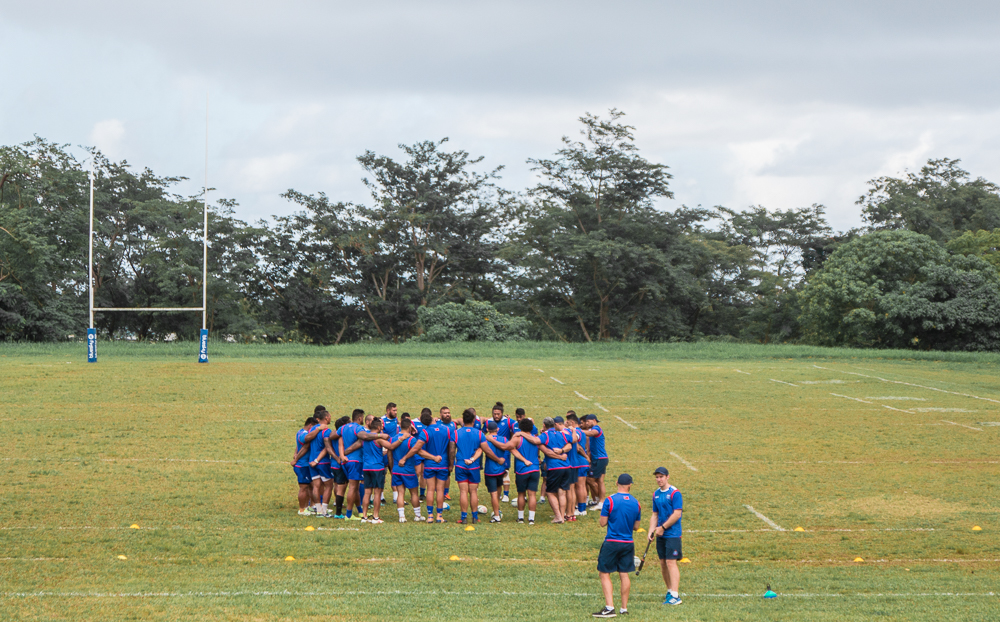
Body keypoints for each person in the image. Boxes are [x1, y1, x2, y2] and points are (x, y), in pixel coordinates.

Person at [593, 473, 642, 618]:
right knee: (624, 573)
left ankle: (609, 607)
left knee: (604, 573)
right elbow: (636, 526)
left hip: (612, 542)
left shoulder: (610, 500)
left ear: (616, 483)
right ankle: (624, 608)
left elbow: (602, 523)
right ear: (630, 485)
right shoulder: (636, 503)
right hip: (628, 543)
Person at [453, 409, 503, 524]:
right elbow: (487, 450)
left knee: (463, 492)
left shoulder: (456, 433)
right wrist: (497, 459)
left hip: (461, 465)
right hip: (474, 466)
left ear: (463, 420)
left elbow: (451, 451)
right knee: (473, 492)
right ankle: (475, 517)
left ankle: (464, 517)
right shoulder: (480, 434)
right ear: (474, 421)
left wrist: (451, 464)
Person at [338, 409, 388, 520]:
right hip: (356, 462)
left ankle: (361, 512)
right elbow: (363, 438)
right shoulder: (359, 429)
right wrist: (381, 436)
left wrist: (342, 454)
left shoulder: (343, 428)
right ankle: (349, 515)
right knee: (354, 488)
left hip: (348, 462)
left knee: (356, 488)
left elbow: (335, 437)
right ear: (360, 418)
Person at [648, 466, 684, 606]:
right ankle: (669, 591)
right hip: (660, 534)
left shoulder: (675, 493)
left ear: (667, 477)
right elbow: (655, 514)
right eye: (657, 477)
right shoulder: (656, 494)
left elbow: (677, 514)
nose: (659, 479)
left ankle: (675, 595)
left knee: (670, 562)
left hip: (673, 534)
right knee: (663, 563)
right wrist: (651, 531)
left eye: (661, 477)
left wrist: (662, 528)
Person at [392, 416, 438, 522]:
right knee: (414, 493)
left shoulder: (394, 438)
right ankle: (417, 515)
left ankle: (401, 517)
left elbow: (390, 454)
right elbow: (419, 452)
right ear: (409, 427)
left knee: (400, 493)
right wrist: (433, 458)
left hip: (396, 469)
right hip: (408, 470)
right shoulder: (411, 440)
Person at [422, 411, 454, 523]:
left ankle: (430, 516)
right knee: (440, 490)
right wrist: (451, 463)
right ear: (432, 418)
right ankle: (439, 516)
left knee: (430, 489)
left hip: (429, 464)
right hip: (443, 464)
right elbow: (451, 448)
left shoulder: (425, 431)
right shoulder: (447, 429)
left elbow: (419, 449)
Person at [540, 417, 573, 523]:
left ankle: (558, 516)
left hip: (554, 467)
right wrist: (563, 451)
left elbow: (536, 442)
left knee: (550, 492)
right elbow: (571, 442)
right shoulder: (562, 434)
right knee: (562, 492)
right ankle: (562, 517)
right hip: (566, 466)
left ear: (544, 425)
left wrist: (522, 434)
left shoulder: (545, 435)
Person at [360, 418, 392, 523]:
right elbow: (391, 446)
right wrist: (401, 439)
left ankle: (364, 516)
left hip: (366, 467)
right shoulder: (379, 439)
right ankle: (375, 517)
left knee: (367, 493)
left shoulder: (365, 438)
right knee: (377, 493)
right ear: (378, 427)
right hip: (377, 468)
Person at [290, 416, 318, 515]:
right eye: (314, 427)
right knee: (303, 488)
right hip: (302, 466)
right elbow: (305, 446)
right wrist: (296, 459)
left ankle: (309, 507)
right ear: (310, 425)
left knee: (311, 486)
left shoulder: (299, 431)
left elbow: (299, 446)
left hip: (305, 465)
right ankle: (301, 509)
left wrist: (295, 454)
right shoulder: (304, 434)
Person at [581, 414, 609, 509]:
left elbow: (592, 433)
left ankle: (601, 501)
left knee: (589, 479)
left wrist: (578, 431)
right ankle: (600, 502)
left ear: (594, 420)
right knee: (600, 481)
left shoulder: (596, 428)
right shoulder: (592, 429)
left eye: (588, 421)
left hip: (599, 459)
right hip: (601, 458)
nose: (586, 423)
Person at [490, 402, 516, 502]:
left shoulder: (508, 421)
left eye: (498, 414)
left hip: (505, 451)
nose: (496, 416)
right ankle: (498, 493)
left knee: (505, 472)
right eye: (494, 414)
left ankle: (506, 495)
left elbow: (517, 426)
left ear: (502, 413)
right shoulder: (489, 422)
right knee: (495, 472)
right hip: (493, 451)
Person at [565, 413, 590, 519]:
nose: (566, 424)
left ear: (572, 422)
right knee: (582, 486)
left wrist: (585, 456)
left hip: (579, 461)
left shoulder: (576, 432)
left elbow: (578, 447)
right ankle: (581, 508)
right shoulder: (581, 431)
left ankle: (580, 509)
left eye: (567, 422)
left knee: (578, 486)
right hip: (582, 462)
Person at [437, 407, 457, 501]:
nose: (447, 414)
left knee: (447, 474)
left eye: (448, 413)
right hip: (439, 453)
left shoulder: (453, 424)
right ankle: (439, 492)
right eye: (445, 413)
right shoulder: (436, 423)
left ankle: (446, 493)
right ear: (440, 414)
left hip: (449, 453)